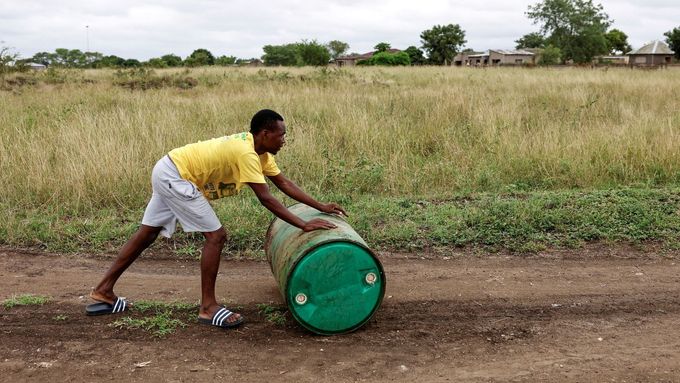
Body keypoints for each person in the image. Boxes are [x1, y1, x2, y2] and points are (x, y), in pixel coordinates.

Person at [87, 109, 346, 329]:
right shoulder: (245, 153)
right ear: (265, 134)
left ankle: (103, 291)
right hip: (176, 176)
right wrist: (303, 223)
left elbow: (283, 183)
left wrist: (319, 205)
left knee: (148, 233)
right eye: (281, 135)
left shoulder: (260, 153)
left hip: (169, 168)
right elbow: (266, 198)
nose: (284, 140)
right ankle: (208, 307)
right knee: (216, 236)